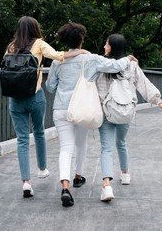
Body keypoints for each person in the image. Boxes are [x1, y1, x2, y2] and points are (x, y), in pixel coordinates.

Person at [45, 23, 135, 207]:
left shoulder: (57, 61)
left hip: (61, 109)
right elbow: (114, 65)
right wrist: (128, 59)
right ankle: (78, 176)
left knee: (65, 148)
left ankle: (65, 187)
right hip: (82, 108)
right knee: (81, 143)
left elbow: (50, 87)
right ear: (81, 40)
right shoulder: (91, 59)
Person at [5, 16, 87, 198]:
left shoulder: (11, 46)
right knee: (39, 131)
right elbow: (59, 56)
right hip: (35, 97)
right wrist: (80, 52)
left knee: (22, 139)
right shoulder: (39, 44)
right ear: (35, 28)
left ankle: (26, 182)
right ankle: (42, 169)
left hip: (15, 99)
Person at [96, 34, 162, 202]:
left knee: (106, 148)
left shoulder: (101, 65)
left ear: (112, 47)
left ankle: (107, 186)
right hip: (126, 112)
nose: (104, 47)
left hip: (106, 112)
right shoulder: (131, 66)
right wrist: (160, 103)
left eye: (106, 44)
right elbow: (145, 86)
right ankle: (125, 174)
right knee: (121, 142)